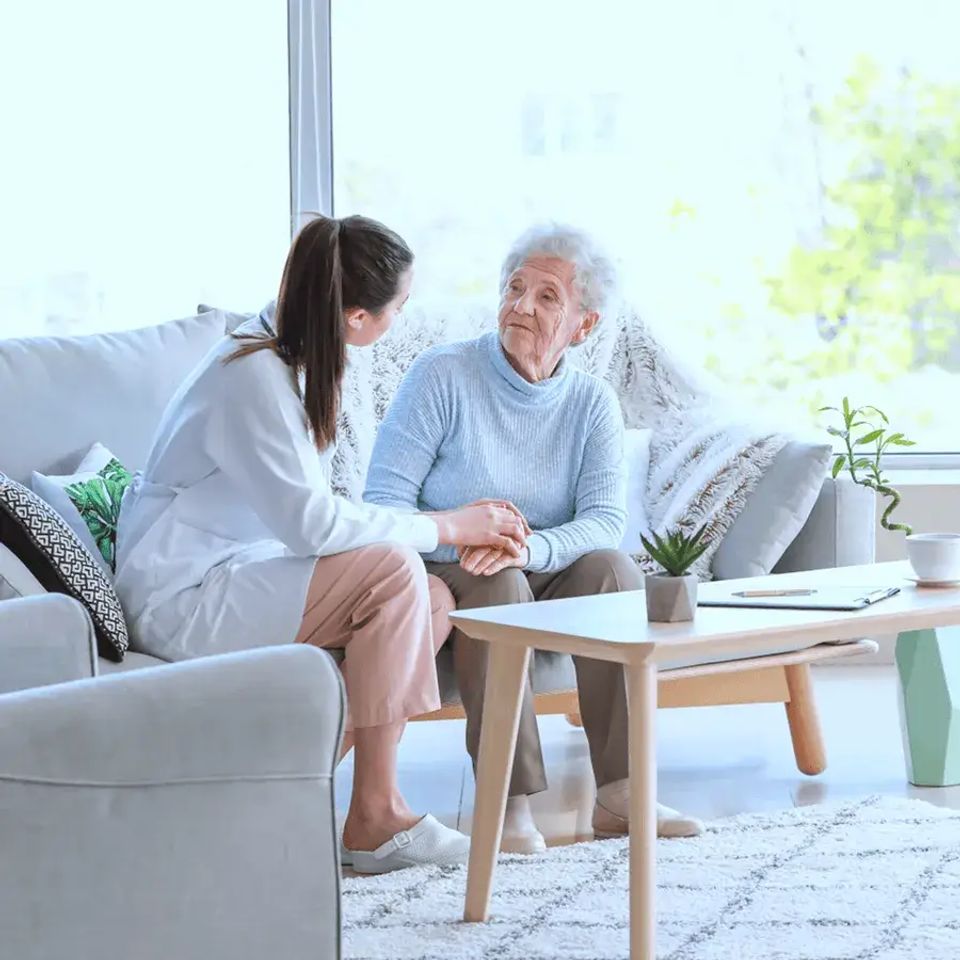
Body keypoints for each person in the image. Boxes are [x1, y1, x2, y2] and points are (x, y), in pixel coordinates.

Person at [114, 215, 528, 874]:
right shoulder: (249, 379)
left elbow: (312, 518)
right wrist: (447, 525)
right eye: (399, 308)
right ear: (357, 318)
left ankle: (275, 796)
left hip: (229, 574)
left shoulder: (280, 357)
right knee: (397, 574)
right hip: (181, 599)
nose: (399, 320)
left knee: (429, 599)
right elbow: (312, 527)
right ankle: (376, 816)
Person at [364, 223, 703, 854]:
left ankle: (621, 791)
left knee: (613, 573)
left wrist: (530, 548)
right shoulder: (442, 375)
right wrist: (466, 539)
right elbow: (383, 505)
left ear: (584, 325)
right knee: (497, 581)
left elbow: (604, 521)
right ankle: (509, 801)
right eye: (514, 288)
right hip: (450, 565)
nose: (520, 305)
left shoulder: (592, 403)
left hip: (539, 562)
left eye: (547, 297)